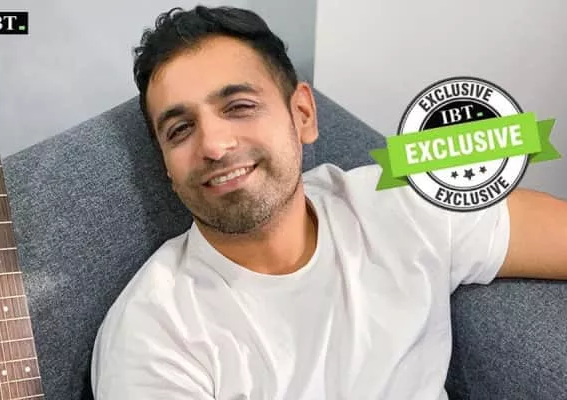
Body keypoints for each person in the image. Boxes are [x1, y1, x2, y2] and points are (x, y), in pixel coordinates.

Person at [90, 5, 567, 399]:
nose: (213, 145)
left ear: (302, 114)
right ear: (167, 169)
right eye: (180, 130)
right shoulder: (155, 337)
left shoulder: (401, 203)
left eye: (239, 107)